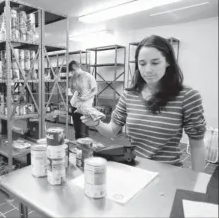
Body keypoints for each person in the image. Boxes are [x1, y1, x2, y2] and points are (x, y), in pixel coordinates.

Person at [81, 35, 207, 172]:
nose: (147, 70)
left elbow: (197, 146)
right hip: (137, 169)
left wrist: (197, 186)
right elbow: (111, 131)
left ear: (168, 62)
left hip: (169, 173)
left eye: (155, 62)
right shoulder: (129, 95)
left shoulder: (187, 97)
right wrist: (96, 123)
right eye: (142, 63)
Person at [68, 60, 98, 139]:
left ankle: (84, 149)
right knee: (77, 131)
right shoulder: (73, 78)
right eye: (72, 72)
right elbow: (71, 89)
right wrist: (75, 91)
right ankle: (78, 148)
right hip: (75, 107)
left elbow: (95, 91)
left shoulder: (89, 77)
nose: (73, 73)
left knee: (83, 132)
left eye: (74, 70)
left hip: (85, 108)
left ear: (78, 67)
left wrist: (86, 97)